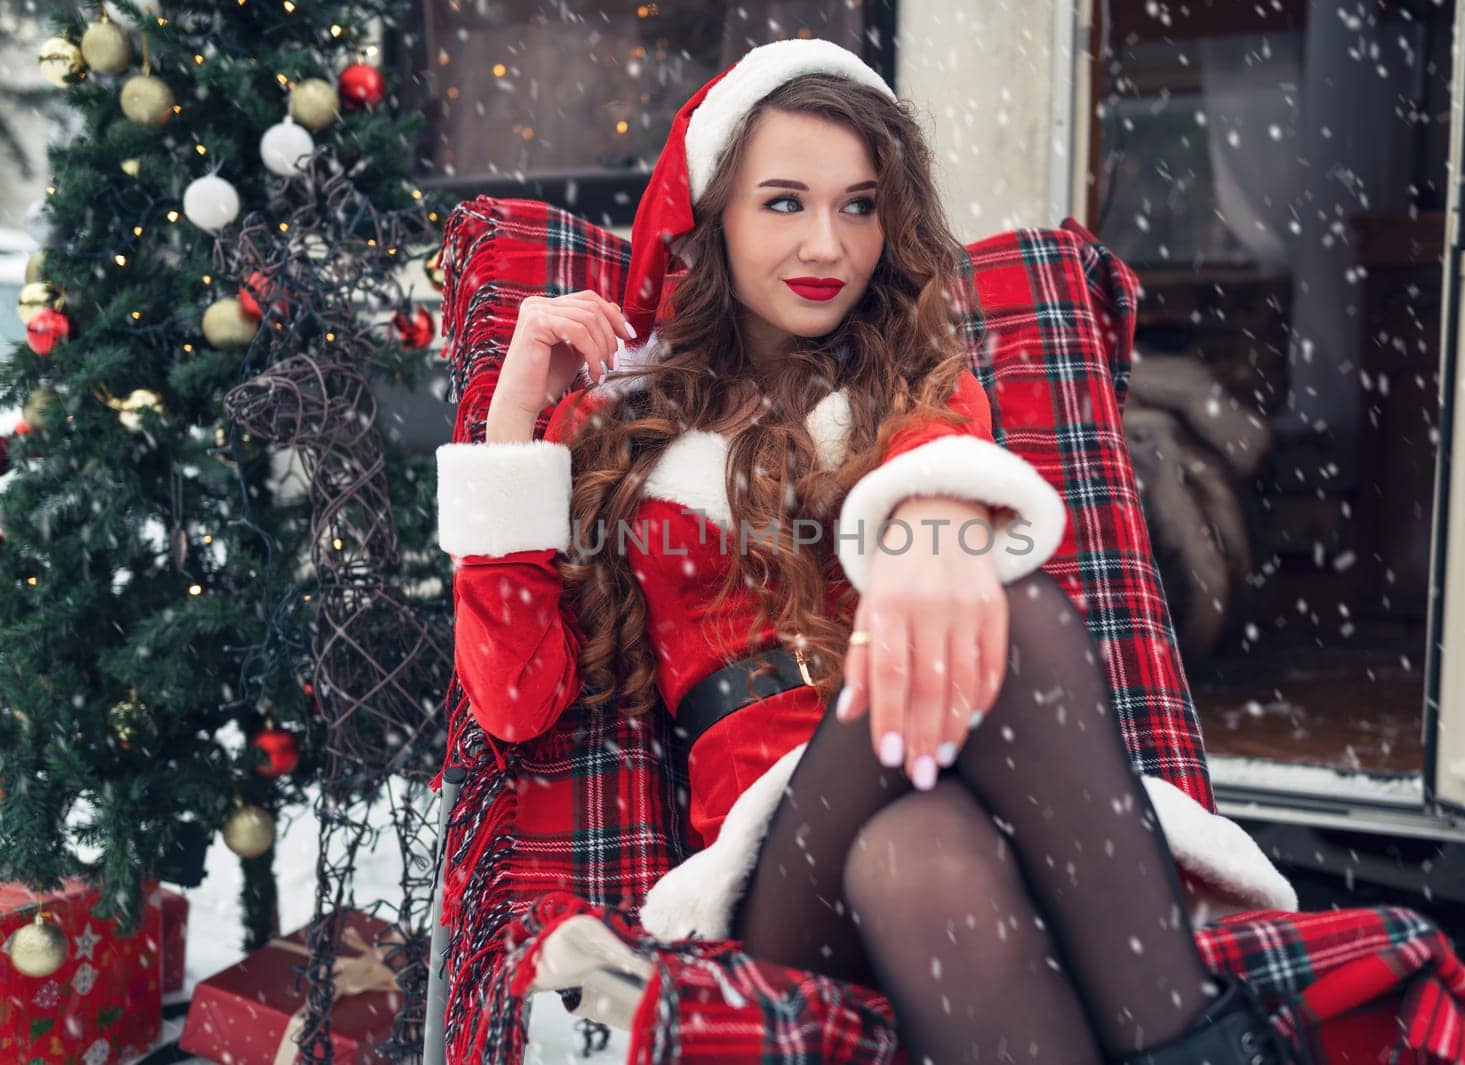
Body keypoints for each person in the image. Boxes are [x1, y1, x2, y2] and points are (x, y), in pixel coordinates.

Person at [436, 38, 1299, 1065]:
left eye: (858, 205)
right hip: (776, 860)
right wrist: (514, 408)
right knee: (997, 654)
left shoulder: (914, 391)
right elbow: (513, 698)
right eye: (784, 202)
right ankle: (1197, 1041)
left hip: (953, 795)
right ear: (713, 216)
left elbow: (939, 462)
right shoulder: (612, 427)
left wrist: (935, 531)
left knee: (919, 851)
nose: (827, 247)